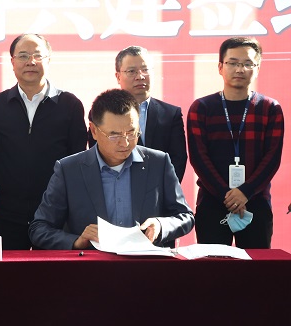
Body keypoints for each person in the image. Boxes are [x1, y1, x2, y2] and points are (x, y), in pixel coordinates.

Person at [29, 89, 194, 250]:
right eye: (114, 135)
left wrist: (160, 225)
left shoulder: (159, 163)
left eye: (132, 133)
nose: (125, 143)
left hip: (145, 263)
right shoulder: (69, 170)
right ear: (94, 131)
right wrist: (77, 242)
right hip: (93, 265)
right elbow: (39, 228)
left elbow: (185, 217)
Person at [0, 34, 87, 249]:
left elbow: (78, 163)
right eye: (23, 56)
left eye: (38, 55)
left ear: (49, 60)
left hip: (55, 213)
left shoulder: (70, 105)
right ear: (12, 62)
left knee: (51, 269)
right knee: (11, 269)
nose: (31, 62)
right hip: (9, 212)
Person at [187, 37, 284, 249]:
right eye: (232, 63)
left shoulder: (270, 108)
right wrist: (227, 195)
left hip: (256, 202)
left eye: (248, 63)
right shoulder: (201, 108)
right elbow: (199, 158)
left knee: (256, 266)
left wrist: (245, 192)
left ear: (257, 68)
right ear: (220, 67)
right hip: (212, 201)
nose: (240, 69)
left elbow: (272, 158)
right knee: (212, 266)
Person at [88, 46, 187, 182]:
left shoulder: (170, 114)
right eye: (131, 71)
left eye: (145, 70)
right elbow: (97, 155)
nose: (140, 77)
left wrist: (162, 189)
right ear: (118, 76)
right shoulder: (102, 112)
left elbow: (178, 159)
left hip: (158, 190)